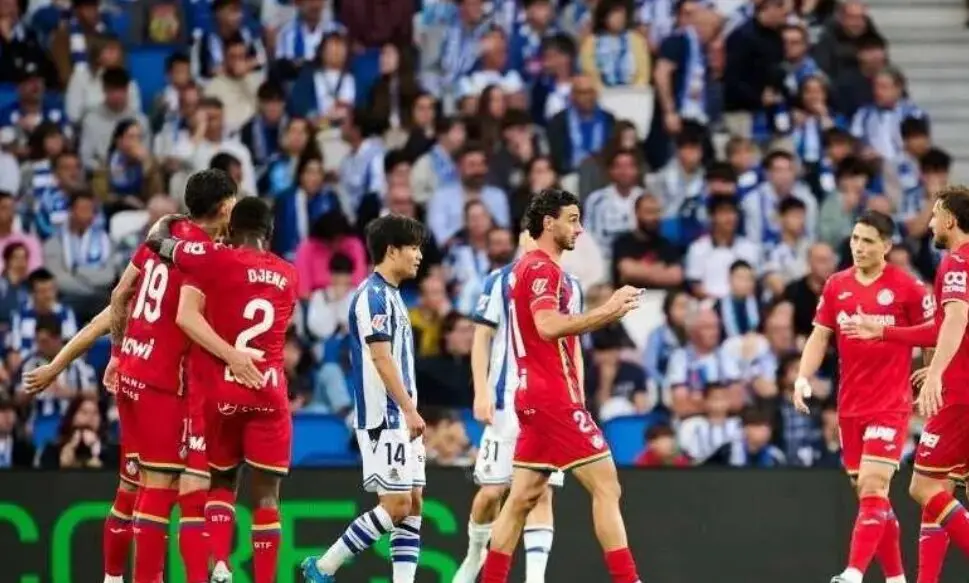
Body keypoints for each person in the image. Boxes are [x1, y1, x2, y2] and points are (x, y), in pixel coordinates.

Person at [479, 188, 643, 583]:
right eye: (572, 219)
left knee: (520, 500)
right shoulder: (541, 270)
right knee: (607, 487)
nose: (580, 229)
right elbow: (548, 326)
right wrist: (607, 311)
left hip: (534, 396)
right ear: (548, 222)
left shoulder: (528, 269)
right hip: (552, 398)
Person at [145, 196, 297, 583]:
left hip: (224, 390)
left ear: (231, 229)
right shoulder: (290, 274)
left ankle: (221, 566)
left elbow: (159, 244)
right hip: (268, 388)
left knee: (223, 481)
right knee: (266, 497)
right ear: (271, 233)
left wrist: (169, 222)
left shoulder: (214, 258)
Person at [106, 169, 245, 583]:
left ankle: (114, 578)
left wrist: (117, 352)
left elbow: (119, 296)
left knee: (133, 484)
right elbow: (188, 319)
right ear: (223, 207)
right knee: (161, 484)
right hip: (162, 382)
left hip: (130, 367)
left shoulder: (163, 234)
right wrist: (232, 356)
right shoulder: (201, 254)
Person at [792, 210, 933, 583]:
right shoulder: (837, 285)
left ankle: (853, 573)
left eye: (868, 240)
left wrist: (932, 375)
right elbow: (820, 336)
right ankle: (897, 578)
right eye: (855, 238)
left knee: (874, 485)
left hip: (890, 404)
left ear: (886, 246)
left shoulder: (908, 287)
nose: (858, 246)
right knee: (871, 497)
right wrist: (801, 378)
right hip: (850, 405)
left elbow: (932, 333)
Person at [844, 186, 969, 583]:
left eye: (935, 215)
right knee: (945, 486)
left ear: (950, 220)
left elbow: (953, 321)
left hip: (960, 393)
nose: (930, 222)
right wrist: (883, 334)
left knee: (924, 486)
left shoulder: (955, 263)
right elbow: (939, 327)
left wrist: (936, 374)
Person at [453, 226, 584, 583]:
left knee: (540, 492)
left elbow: (573, 346)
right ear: (527, 236)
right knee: (491, 492)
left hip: (551, 403)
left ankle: (535, 578)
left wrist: (578, 397)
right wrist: (480, 390)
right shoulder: (502, 280)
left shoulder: (570, 284)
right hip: (504, 403)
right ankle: (475, 553)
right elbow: (482, 336)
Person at [301, 214, 428, 583]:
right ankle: (324, 566)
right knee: (396, 505)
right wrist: (408, 409)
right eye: (413, 247)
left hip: (402, 417)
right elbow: (381, 357)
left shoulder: (393, 296)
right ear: (392, 250)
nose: (419, 255)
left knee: (414, 503)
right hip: (384, 418)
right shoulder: (372, 296)